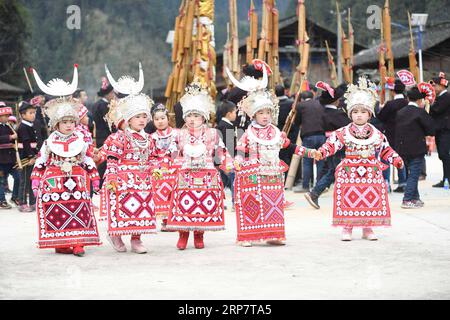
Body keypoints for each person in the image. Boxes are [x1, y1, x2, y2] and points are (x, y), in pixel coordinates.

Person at [314, 76, 403, 241]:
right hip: (350, 171)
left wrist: (395, 159)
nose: (359, 115)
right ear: (350, 114)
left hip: (370, 171)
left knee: (369, 199)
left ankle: (367, 228)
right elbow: (332, 144)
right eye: (355, 112)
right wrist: (321, 152)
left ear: (369, 114)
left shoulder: (376, 133)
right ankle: (347, 227)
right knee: (349, 199)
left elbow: (385, 149)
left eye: (363, 112)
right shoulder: (344, 132)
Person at [233, 85, 317, 247]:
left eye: (268, 112)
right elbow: (241, 150)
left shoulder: (276, 132)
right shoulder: (248, 132)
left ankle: (273, 235)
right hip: (253, 175)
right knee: (253, 204)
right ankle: (246, 237)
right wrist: (237, 160)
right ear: (254, 115)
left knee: (273, 204)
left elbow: (289, 146)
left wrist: (309, 152)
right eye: (261, 113)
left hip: (273, 174)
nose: (265, 116)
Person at [30, 65, 101, 256]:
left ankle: (78, 243)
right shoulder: (49, 141)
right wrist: (36, 180)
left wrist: (94, 177)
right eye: (65, 122)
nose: (69, 125)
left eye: (71, 122)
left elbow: (86, 159)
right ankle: (61, 242)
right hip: (54, 180)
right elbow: (41, 162)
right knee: (56, 209)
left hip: (77, 180)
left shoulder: (80, 140)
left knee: (79, 209)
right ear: (56, 125)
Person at [165, 81, 233, 250]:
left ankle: (199, 235)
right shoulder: (179, 135)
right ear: (184, 117)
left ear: (203, 117)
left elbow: (221, 152)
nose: (192, 119)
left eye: (196, 116)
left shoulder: (212, 134)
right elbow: (171, 155)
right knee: (184, 205)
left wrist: (230, 164)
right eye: (189, 116)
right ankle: (183, 234)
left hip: (206, 175)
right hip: (185, 175)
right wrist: (166, 167)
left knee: (201, 206)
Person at [101, 63, 157, 254]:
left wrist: (156, 168)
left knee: (140, 209)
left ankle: (136, 239)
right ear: (128, 119)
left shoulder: (149, 139)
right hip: (123, 180)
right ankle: (115, 235)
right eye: (137, 117)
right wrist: (112, 177)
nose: (142, 120)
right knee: (121, 209)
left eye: (144, 116)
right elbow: (112, 159)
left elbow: (154, 157)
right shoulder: (119, 137)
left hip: (143, 180)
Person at [304, 82, 350, 209]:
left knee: (331, 169)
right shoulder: (338, 114)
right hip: (338, 145)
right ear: (335, 101)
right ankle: (314, 192)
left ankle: (316, 192)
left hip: (329, 143)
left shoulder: (324, 112)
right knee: (335, 171)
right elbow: (347, 128)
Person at [396, 86, 435, 208]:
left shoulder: (400, 112)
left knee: (410, 174)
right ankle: (407, 199)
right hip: (417, 148)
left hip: (402, 148)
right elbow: (431, 130)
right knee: (414, 175)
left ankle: (415, 198)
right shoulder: (420, 112)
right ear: (420, 100)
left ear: (408, 98)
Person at [149, 103, 179, 230]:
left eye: (162, 118)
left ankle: (176, 218)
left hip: (175, 164)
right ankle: (166, 219)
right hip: (159, 167)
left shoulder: (177, 133)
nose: (160, 121)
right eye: (156, 119)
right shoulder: (151, 137)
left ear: (168, 118)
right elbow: (151, 155)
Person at [377, 78, 409, 192]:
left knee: (386, 157)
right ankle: (403, 182)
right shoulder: (407, 103)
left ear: (392, 91)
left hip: (390, 134)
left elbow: (381, 117)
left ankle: (386, 183)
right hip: (405, 134)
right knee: (401, 158)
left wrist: (380, 109)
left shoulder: (390, 104)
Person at [292, 88, 326, 193]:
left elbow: (297, 122)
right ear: (313, 96)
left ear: (302, 99)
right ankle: (320, 185)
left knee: (307, 161)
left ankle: (306, 186)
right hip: (321, 134)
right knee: (320, 160)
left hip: (308, 135)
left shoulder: (300, 106)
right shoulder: (320, 103)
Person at [429, 72, 450, 188]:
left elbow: (436, 110)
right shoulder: (440, 97)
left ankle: (447, 179)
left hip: (445, 130)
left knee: (444, 154)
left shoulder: (446, 97)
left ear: (441, 86)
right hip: (440, 130)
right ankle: (446, 178)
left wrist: (429, 105)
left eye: (435, 85)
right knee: (442, 155)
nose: (433, 88)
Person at [216, 100, 237, 211]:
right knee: (232, 180)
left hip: (221, 158)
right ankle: (234, 202)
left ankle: (218, 202)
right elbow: (230, 145)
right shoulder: (227, 126)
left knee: (222, 182)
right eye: (235, 112)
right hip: (227, 159)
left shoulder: (220, 125)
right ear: (229, 114)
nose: (236, 115)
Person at [17, 101, 38, 212]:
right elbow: (25, 143)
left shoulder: (30, 125)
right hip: (25, 157)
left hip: (32, 156)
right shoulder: (23, 127)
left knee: (32, 179)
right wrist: (31, 156)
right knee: (24, 181)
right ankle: (22, 203)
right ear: (23, 115)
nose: (33, 115)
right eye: (30, 113)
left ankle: (33, 202)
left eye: (34, 112)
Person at [0, 103, 20, 209]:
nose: (7, 118)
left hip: (11, 159)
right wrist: (10, 137)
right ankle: (2, 200)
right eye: (5, 116)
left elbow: (15, 139)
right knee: (1, 181)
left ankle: (15, 196)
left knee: (18, 177)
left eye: (8, 115)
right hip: (1, 159)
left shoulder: (9, 125)